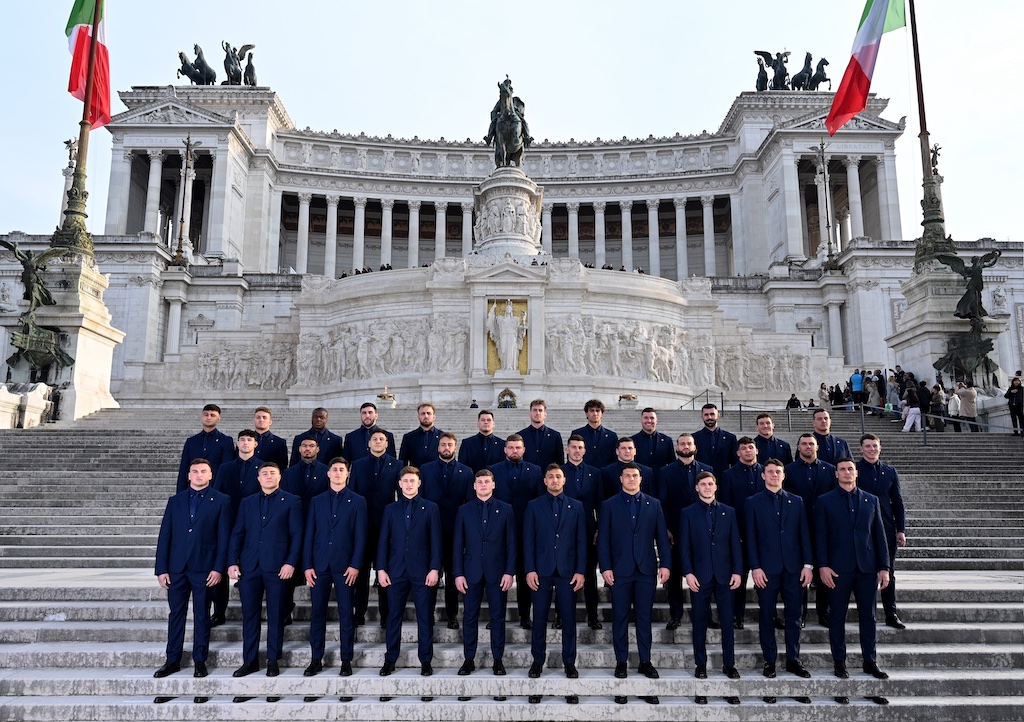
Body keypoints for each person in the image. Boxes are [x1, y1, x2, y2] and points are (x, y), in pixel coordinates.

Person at [153, 459, 231, 703]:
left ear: (211, 475)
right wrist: (161, 569)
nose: (199, 475)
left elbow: (223, 538)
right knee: (175, 614)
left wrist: (219, 568)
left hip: (204, 569)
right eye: (195, 471)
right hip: (176, 569)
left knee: (201, 615)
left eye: (203, 471)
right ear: (188, 475)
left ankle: (200, 660)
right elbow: (165, 535)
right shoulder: (175, 501)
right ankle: (172, 659)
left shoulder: (221, 500)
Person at [815, 458, 891, 702]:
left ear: (856, 472)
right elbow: (821, 537)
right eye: (842, 470)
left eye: (850, 469)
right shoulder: (824, 501)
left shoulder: (872, 500)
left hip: (867, 569)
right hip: (838, 570)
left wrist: (884, 567)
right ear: (836, 474)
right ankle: (840, 661)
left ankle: (870, 661)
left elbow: (880, 535)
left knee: (869, 617)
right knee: (836, 617)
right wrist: (823, 566)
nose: (847, 472)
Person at [226, 463, 302, 695]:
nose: (268, 476)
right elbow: (237, 533)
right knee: (250, 616)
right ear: (258, 478)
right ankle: (250, 661)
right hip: (250, 567)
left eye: (272, 473)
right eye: (264, 474)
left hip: (278, 567)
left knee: (276, 615)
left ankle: (272, 660)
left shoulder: (292, 500)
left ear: (280, 477)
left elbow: (296, 535)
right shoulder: (247, 502)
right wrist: (232, 562)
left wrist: (290, 563)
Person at [598, 463, 671, 706]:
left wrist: (666, 565)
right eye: (627, 475)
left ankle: (645, 661)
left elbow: (661, 536)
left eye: (635, 475)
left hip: (646, 570)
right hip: (619, 571)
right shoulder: (609, 505)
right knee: (619, 617)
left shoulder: (654, 504)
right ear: (621, 479)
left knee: (643, 618)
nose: (631, 478)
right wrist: (605, 567)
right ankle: (621, 661)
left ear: (641, 478)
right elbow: (604, 540)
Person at [743, 459, 813, 703]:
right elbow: (750, 537)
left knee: (794, 616)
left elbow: (804, 534)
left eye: (778, 472)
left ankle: (793, 659)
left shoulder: (797, 501)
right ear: (763, 476)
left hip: (794, 569)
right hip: (767, 570)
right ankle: (769, 661)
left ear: (784, 475)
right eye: (770, 472)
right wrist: (755, 567)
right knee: (767, 615)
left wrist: (808, 565)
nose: (774, 475)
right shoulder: (752, 502)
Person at [523, 464, 587, 705]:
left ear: (564, 480)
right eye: (550, 476)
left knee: (569, 619)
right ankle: (537, 661)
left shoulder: (577, 506)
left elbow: (581, 541)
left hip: (568, 572)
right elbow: (528, 541)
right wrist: (529, 570)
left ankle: (569, 662)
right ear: (545, 480)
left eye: (558, 476)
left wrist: (581, 571)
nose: (554, 479)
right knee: (539, 618)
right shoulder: (534, 505)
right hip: (541, 571)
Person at [678, 471, 742, 706]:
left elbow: (735, 544)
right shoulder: (687, 513)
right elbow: (683, 547)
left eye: (710, 484)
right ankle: (700, 664)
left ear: (716, 486)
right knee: (700, 623)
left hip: (725, 576)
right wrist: (688, 573)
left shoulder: (729, 511)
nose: (707, 487)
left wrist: (737, 571)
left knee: (727, 622)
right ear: (697, 488)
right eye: (703, 484)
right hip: (700, 577)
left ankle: (729, 664)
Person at [302, 457, 367, 688]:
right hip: (319, 566)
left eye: (342, 469)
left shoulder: (358, 501)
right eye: (335, 469)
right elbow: (309, 533)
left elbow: (361, 537)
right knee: (317, 614)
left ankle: (346, 659)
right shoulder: (317, 501)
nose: (338, 472)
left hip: (345, 567)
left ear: (347, 474)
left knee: (346, 615)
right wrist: (307, 565)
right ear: (328, 473)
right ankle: (316, 659)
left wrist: (356, 565)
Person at [376, 467, 442, 689]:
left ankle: (425, 660)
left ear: (419, 483)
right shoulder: (390, 509)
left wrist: (435, 569)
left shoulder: (431, 508)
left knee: (425, 616)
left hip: (423, 572)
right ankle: (390, 659)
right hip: (395, 572)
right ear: (400, 483)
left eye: (413, 481)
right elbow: (383, 541)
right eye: (405, 481)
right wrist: (381, 569)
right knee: (393, 616)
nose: (409, 484)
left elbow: (436, 542)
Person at [452, 469, 516, 683]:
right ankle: (469, 658)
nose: (483, 485)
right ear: (474, 485)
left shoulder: (506, 510)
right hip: (471, 573)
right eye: (479, 482)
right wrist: (458, 573)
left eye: (487, 481)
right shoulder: (464, 510)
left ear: (493, 485)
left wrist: (509, 571)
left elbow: (511, 544)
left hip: (498, 573)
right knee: (469, 617)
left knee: (497, 617)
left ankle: (498, 659)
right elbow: (457, 544)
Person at [656, 433, 712, 629]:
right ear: (676, 447)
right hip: (676, 531)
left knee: (704, 574)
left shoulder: (707, 469)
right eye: (682, 444)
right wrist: (667, 529)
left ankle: (706, 614)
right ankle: (676, 615)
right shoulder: (666, 472)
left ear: (695, 446)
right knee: (675, 577)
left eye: (689, 443)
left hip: (702, 532)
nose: (686, 447)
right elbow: (662, 503)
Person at [420, 432, 474, 628]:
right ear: (438, 447)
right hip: (430, 531)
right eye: (443, 444)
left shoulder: (466, 472)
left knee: (453, 575)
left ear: (455, 447)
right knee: (430, 574)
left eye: (449, 444)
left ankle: (452, 615)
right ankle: (428, 614)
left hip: (455, 533)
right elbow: (421, 501)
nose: (446, 448)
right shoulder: (425, 470)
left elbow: (469, 505)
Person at [489, 433, 543, 629]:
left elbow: (540, 503)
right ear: (505, 449)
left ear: (524, 449)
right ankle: (496, 616)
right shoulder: (493, 471)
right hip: (498, 532)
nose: (514, 451)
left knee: (523, 574)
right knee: (497, 576)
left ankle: (524, 616)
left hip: (525, 531)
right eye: (510, 447)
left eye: (517, 448)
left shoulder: (535, 471)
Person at [210, 430, 263, 626]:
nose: (246, 443)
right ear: (237, 444)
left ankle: (251, 612)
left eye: (250, 440)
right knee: (222, 566)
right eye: (242, 440)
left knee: (249, 566)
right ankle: (219, 611)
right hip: (227, 522)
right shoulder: (225, 468)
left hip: (252, 524)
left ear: (256, 444)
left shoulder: (261, 467)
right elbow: (216, 496)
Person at [350, 429, 401, 627]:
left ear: (387, 443)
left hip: (385, 529)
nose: (378, 441)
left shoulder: (396, 465)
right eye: (375, 439)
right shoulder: (358, 464)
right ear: (368, 443)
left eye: (382, 439)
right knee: (360, 573)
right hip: (362, 527)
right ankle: (359, 613)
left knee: (384, 572)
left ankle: (385, 615)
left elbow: (401, 496)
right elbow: (351, 495)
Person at [856, 434, 907, 630]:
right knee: (864, 573)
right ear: (861, 449)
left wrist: (900, 529)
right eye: (867, 446)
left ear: (880, 447)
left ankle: (890, 612)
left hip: (886, 528)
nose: (871, 449)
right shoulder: (855, 470)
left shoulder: (890, 471)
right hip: (863, 529)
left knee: (888, 571)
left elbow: (898, 502)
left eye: (874, 446)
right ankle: (866, 612)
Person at [784, 433, 836, 626]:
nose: (808, 447)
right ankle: (801, 613)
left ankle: (824, 612)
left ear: (817, 447)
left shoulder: (830, 470)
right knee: (801, 573)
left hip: (824, 527)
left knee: (824, 569)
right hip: (798, 528)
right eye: (804, 444)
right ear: (798, 447)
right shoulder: (788, 470)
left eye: (811, 444)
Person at [719, 437, 764, 630]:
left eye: (751, 447)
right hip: (739, 535)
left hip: (764, 536)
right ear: (738, 453)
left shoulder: (767, 472)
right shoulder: (728, 475)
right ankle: (737, 616)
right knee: (738, 576)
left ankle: (768, 614)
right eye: (743, 448)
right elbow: (726, 506)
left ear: (757, 450)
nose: (747, 451)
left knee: (766, 579)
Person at [176, 404, 235, 492]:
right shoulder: (191, 441)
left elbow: (226, 469)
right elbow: (184, 468)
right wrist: (180, 493)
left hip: (215, 489)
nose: (209, 417)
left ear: (219, 418)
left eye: (212, 415)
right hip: (192, 488)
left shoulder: (226, 441)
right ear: (201, 417)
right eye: (206, 414)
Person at [692, 403, 739, 476]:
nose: (709, 417)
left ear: (718, 415)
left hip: (724, 479)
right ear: (702, 417)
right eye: (706, 415)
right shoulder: (694, 438)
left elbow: (735, 462)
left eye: (712, 414)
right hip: (702, 479)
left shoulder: (730, 438)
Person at [571, 399, 619, 468]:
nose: (595, 413)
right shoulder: (577, 434)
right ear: (586, 413)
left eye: (597, 410)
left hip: (605, 475)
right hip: (584, 474)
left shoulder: (612, 436)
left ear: (602, 413)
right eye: (592, 410)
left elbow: (615, 458)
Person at [518, 399, 564, 469]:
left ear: (545, 414)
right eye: (535, 410)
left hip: (548, 476)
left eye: (540, 410)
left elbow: (560, 461)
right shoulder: (520, 436)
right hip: (527, 477)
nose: (538, 413)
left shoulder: (555, 436)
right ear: (530, 414)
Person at [399, 402, 445, 467]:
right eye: (423, 413)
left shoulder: (443, 436)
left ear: (434, 417)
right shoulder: (408, 437)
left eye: (428, 413)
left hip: (437, 475)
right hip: (416, 475)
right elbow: (403, 461)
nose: (426, 416)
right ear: (418, 416)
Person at [631, 407, 675, 471]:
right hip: (641, 479)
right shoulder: (633, 441)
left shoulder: (667, 441)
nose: (649, 421)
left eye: (652, 418)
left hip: (661, 479)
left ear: (656, 420)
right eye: (646, 418)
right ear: (641, 420)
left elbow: (672, 463)